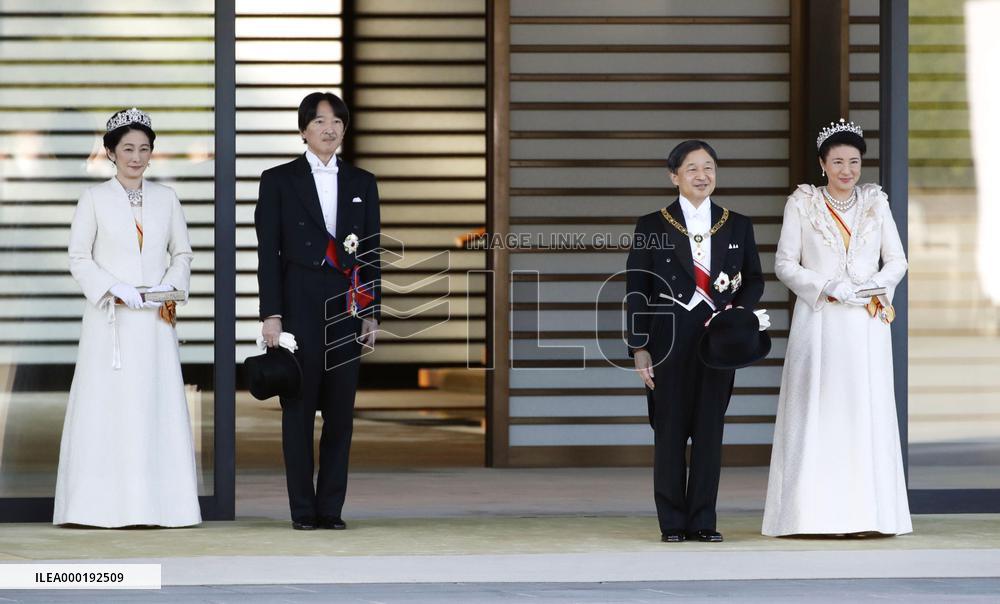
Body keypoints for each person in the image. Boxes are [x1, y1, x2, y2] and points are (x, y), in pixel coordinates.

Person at [763, 119, 912, 536]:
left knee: (864, 412)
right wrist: (827, 286)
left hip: (866, 322)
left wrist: (872, 287)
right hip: (821, 320)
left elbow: (897, 260)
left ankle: (870, 517)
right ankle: (810, 517)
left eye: (854, 161)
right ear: (822, 164)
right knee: (821, 410)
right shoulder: (803, 203)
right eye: (838, 161)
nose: (847, 169)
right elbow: (784, 264)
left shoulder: (875, 202)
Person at [54, 108, 200, 527]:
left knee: (155, 406)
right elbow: (79, 257)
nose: (136, 157)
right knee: (108, 409)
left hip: (156, 319)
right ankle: (95, 508)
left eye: (144, 149)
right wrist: (113, 287)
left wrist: (165, 289)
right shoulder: (93, 199)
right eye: (127, 149)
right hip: (109, 322)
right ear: (111, 153)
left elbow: (182, 253)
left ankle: (160, 507)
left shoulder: (166, 198)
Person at [626, 140, 767, 543]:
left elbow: (755, 278)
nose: (702, 175)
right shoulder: (652, 225)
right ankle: (672, 522)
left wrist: (737, 313)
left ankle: (703, 519)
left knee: (709, 432)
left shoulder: (737, 223)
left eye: (708, 167)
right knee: (669, 433)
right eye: (691, 168)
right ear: (674, 177)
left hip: (718, 342)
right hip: (667, 340)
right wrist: (639, 347)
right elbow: (636, 287)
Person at [255, 92, 381, 531]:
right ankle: (302, 510)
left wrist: (369, 312)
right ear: (304, 128)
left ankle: (331, 508)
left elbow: (369, 252)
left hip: (345, 306)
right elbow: (267, 253)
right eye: (320, 121)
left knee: (341, 413)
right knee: (299, 410)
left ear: (344, 129)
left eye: (337, 122)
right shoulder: (278, 180)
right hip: (298, 303)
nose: (330, 129)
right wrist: (271, 314)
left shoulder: (363, 182)